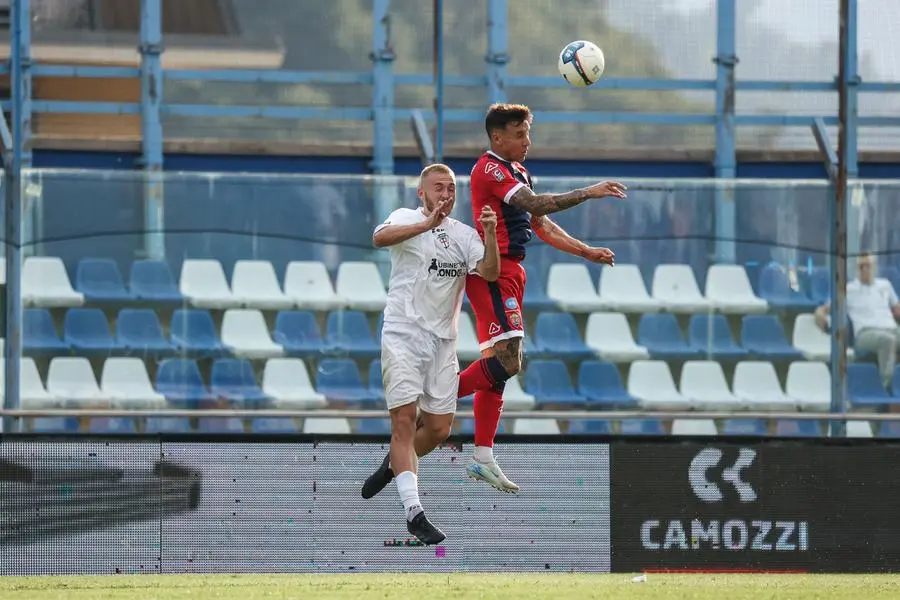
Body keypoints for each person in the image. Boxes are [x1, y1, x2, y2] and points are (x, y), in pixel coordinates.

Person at [455, 103, 628, 492]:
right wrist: (590, 192)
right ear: (498, 137)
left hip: (512, 272)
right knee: (508, 360)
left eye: (527, 133)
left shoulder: (518, 171)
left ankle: (482, 456)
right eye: (519, 134)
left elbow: (541, 224)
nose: (527, 141)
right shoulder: (490, 168)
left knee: (499, 363)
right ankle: (439, 399)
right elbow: (537, 204)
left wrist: (586, 251)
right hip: (492, 271)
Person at [362, 163, 501, 545]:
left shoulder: (465, 235)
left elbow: (489, 272)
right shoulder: (407, 218)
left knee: (438, 429)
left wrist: (489, 233)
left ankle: (394, 464)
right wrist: (426, 225)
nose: (446, 195)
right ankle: (414, 512)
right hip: (404, 333)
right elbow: (379, 238)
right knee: (405, 421)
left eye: (451, 189)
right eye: (438, 188)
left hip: (444, 342)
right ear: (421, 193)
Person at [815, 253, 900, 388]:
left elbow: (897, 310)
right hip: (865, 333)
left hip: (892, 328)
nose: (865, 269)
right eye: (861, 266)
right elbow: (825, 308)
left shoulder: (885, 285)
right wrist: (820, 314)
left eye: (868, 266)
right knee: (888, 340)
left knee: (892, 337)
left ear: (875, 267)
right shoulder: (849, 289)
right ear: (856, 269)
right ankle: (888, 386)